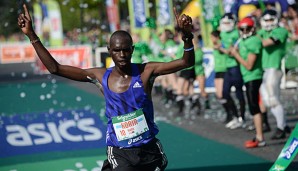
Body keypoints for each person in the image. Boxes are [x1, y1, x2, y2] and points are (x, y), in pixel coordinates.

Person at [18, 4, 194, 171]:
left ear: (132, 50)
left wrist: (187, 37)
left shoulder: (147, 71)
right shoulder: (100, 76)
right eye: (117, 50)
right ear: (109, 50)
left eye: (126, 50)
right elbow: (55, 68)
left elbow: (186, 62)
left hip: (149, 150)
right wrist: (31, 35)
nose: (122, 55)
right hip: (120, 151)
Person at [230, 17, 265, 148]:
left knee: (255, 106)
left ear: (253, 28)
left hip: (254, 76)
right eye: (242, 29)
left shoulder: (254, 41)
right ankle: (260, 134)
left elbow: (249, 65)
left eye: (247, 28)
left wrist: (236, 55)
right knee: (256, 106)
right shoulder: (244, 40)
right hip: (249, 77)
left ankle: (260, 137)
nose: (244, 31)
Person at [257, 9, 290, 139]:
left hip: (274, 68)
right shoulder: (261, 32)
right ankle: (284, 124)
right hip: (262, 69)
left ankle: (281, 127)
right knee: (267, 100)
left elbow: (266, 43)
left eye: (271, 19)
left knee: (272, 99)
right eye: (267, 20)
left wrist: (253, 34)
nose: (269, 22)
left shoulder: (280, 31)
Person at [218, 13, 246, 129]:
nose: (226, 25)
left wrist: (222, 49)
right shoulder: (223, 33)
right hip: (228, 66)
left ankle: (242, 118)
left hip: (236, 66)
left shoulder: (236, 33)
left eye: (228, 23)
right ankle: (235, 116)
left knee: (239, 92)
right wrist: (222, 49)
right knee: (224, 93)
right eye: (224, 23)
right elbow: (225, 49)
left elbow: (232, 51)